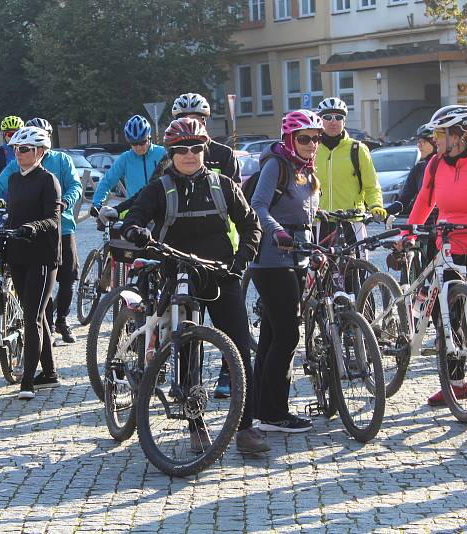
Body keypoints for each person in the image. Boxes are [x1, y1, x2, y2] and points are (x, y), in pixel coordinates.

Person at [120, 117, 265, 455]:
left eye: (196, 148)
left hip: (220, 272)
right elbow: (135, 217)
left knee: (240, 348)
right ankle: (195, 422)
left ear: (204, 150)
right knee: (187, 347)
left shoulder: (222, 184)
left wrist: (242, 258)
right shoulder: (159, 187)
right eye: (181, 149)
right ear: (170, 153)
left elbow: (250, 224)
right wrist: (136, 231)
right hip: (179, 271)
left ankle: (245, 427)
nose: (189, 154)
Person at [401, 105, 467, 407]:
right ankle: (456, 385)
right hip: (448, 246)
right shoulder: (435, 165)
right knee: (446, 317)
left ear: (457, 135)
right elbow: (424, 202)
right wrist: (407, 233)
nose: (435, 139)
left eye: (439, 133)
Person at [0, 117, 82, 345]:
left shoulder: (61, 160)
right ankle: (46, 326)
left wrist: (65, 203)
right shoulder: (16, 164)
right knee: (41, 285)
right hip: (29, 230)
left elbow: (75, 186)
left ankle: (61, 319)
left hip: (62, 226)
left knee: (68, 276)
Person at [250, 110, 323, 434]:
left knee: (271, 335)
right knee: (288, 333)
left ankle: (259, 409)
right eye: (305, 138)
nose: (312, 144)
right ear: (289, 139)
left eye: (316, 138)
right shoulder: (275, 165)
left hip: (298, 258)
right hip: (271, 259)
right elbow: (258, 205)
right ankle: (276, 413)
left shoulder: (305, 171)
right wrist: (278, 232)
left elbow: (305, 214)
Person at [0, 126, 62, 400]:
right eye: (16, 148)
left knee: (32, 318)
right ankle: (49, 373)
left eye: (24, 149)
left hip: (42, 256)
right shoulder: (14, 179)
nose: (18, 153)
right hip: (18, 255)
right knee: (33, 313)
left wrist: (32, 227)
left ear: (39, 152)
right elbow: (12, 215)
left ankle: (27, 380)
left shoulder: (48, 180)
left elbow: (53, 220)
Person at [314, 97, 385, 246]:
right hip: (319, 221)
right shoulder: (311, 148)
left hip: (352, 221)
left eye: (338, 117)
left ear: (344, 121)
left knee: (358, 267)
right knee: (316, 267)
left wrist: (376, 206)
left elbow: (371, 186)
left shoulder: (358, 149)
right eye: (327, 117)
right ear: (320, 120)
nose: (333, 121)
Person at [90, 115, 166, 215]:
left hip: (163, 209)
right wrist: (96, 203)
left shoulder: (162, 153)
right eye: (134, 144)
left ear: (149, 138)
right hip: (138, 209)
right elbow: (107, 181)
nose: (138, 147)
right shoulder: (125, 159)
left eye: (142, 142)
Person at [394, 124, 438, 266]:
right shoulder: (419, 168)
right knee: (427, 266)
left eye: (423, 142)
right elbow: (405, 199)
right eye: (418, 142)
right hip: (424, 225)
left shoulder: (445, 165)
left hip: (445, 225)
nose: (419, 146)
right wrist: (386, 211)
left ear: (434, 142)